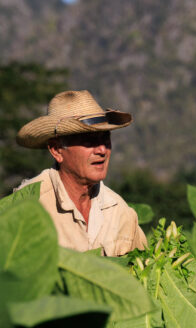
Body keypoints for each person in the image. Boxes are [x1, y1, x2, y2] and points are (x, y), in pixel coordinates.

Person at [15, 89, 146, 256]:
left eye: (105, 139)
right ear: (56, 150)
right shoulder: (28, 206)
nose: (102, 150)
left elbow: (144, 274)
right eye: (89, 141)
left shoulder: (120, 212)